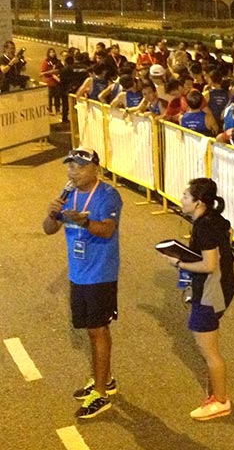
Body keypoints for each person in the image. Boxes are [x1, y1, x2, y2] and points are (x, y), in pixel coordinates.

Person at [42, 148, 123, 419]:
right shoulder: (68, 194)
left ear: (95, 169)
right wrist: (52, 213)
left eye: (79, 167)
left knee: (98, 331)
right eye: (70, 166)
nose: (72, 172)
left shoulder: (108, 195)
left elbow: (107, 229)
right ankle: (105, 380)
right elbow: (48, 229)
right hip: (78, 274)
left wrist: (84, 220)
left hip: (100, 274)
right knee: (91, 329)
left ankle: (101, 393)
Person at [158, 178, 234, 420]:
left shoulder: (204, 227)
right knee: (208, 347)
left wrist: (179, 262)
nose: (181, 199)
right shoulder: (215, 219)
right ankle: (215, 393)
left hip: (211, 292)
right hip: (221, 287)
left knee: (209, 351)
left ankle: (220, 401)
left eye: (185, 196)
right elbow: (226, 239)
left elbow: (209, 265)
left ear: (199, 202)